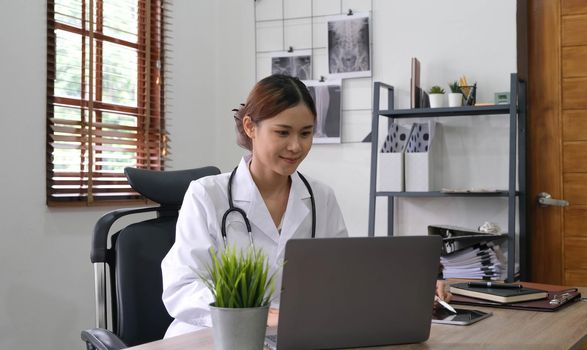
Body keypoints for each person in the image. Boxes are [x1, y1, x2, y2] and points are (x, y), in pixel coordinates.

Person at [161, 74, 450, 338]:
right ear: (250, 127)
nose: (296, 147)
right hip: (210, 337)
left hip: (292, 337)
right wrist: (257, 316)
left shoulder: (320, 197)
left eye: (305, 133)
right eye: (283, 133)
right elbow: (182, 288)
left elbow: (344, 279)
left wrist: (409, 291)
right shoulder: (207, 195)